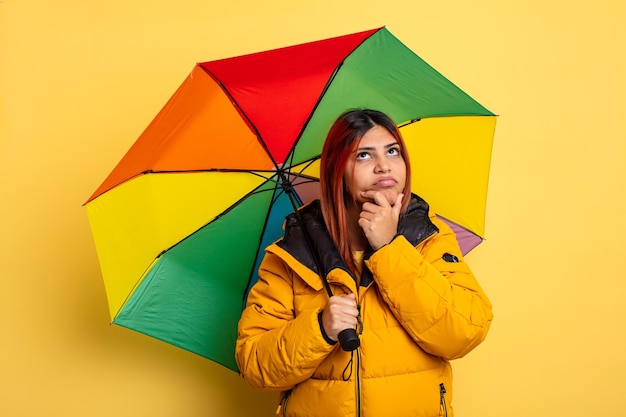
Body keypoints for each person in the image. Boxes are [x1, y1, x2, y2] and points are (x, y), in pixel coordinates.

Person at [236, 109, 493, 417]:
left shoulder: (429, 237)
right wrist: (319, 328)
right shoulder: (292, 254)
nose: (384, 166)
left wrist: (390, 249)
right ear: (336, 170)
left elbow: (464, 332)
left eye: (392, 151)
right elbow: (255, 366)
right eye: (363, 156)